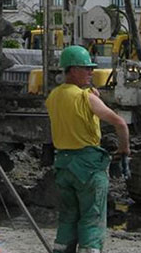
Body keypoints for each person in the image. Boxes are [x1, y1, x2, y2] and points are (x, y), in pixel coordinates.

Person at [45, 45, 130, 253]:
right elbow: (120, 123)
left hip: (64, 165)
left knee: (68, 217)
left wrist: (90, 95)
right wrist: (124, 150)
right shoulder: (87, 98)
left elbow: (72, 106)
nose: (91, 72)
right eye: (86, 68)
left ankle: (61, 249)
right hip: (88, 167)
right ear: (73, 70)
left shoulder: (53, 96)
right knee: (92, 217)